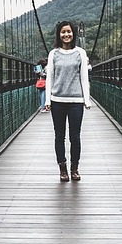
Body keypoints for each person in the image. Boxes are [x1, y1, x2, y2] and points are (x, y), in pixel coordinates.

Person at [43, 20, 90, 181]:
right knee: (59, 136)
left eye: (69, 31)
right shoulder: (53, 54)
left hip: (76, 101)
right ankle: (62, 169)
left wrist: (87, 99)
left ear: (73, 33)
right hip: (57, 100)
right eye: (63, 32)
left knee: (75, 136)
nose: (66, 34)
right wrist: (48, 100)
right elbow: (50, 77)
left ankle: (74, 168)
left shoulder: (80, 53)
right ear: (59, 34)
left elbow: (84, 77)